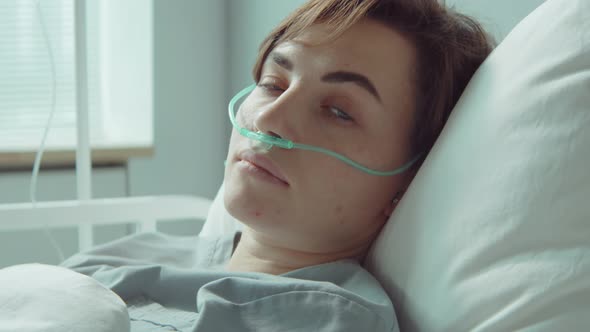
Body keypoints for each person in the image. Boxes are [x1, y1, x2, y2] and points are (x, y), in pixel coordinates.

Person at [62, 0, 494, 331]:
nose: (268, 120)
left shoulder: (331, 319)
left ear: (407, 182)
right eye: (273, 83)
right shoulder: (126, 254)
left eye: (338, 112)